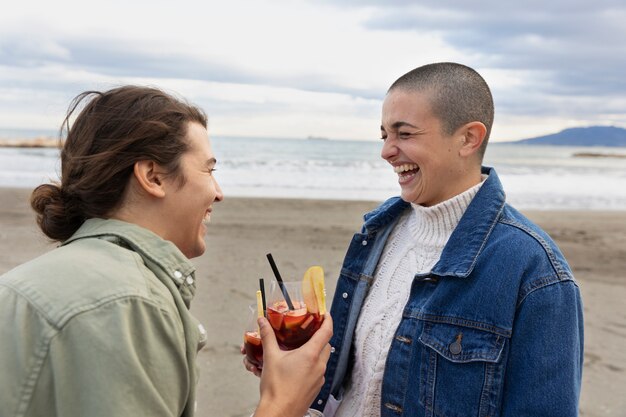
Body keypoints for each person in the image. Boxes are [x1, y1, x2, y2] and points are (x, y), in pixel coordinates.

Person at [0, 85, 332, 417]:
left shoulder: (24, 283)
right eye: (209, 170)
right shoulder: (128, 303)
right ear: (153, 176)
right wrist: (282, 403)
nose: (218, 193)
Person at [309, 63, 584, 416]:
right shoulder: (377, 233)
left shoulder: (534, 271)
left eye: (404, 134)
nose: (387, 151)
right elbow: (353, 386)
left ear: (468, 138)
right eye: (384, 136)